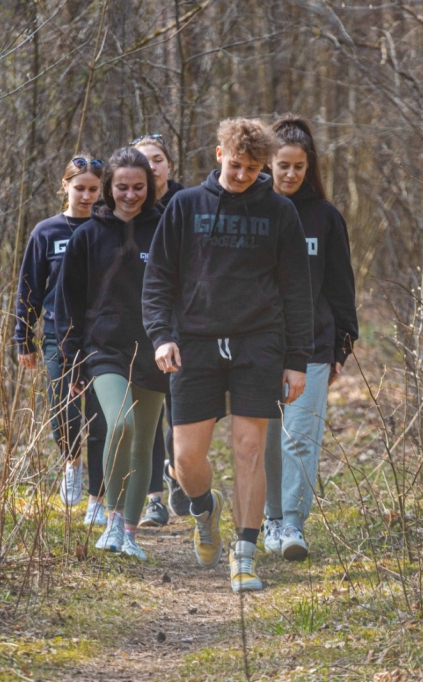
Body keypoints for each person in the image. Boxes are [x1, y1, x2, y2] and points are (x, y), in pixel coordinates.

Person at [143, 118, 313, 592]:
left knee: (249, 449)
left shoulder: (279, 212)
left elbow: (297, 291)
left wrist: (297, 359)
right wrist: (162, 336)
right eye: (236, 165)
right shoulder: (184, 206)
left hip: (258, 341)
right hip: (194, 341)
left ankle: (244, 553)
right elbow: (157, 279)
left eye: (253, 168)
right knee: (186, 458)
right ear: (219, 155)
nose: (242, 175)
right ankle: (206, 507)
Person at [56, 147, 167, 560]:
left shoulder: (163, 230)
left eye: (139, 187)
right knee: (120, 424)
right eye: (122, 187)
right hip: (104, 348)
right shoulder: (88, 235)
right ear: (108, 188)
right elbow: (71, 300)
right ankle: (111, 520)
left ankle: (128, 532)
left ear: (150, 187)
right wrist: (71, 359)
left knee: (143, 441)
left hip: (155, 349)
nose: (131, 195)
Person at [262, 116, 358, 561]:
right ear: (269, 163)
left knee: (299, 437)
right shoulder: (253, 211)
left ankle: (292, 525)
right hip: (257, 345)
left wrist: (342, 345)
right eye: (283, 165)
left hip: (314, 345)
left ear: (309, 167)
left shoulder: (325, 217)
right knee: (265, 436)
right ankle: (268, 520)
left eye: (299, 166)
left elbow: (341, 285)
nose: (291, 174)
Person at [13, 155, 108, 527]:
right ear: (65, 187)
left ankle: (97, 500)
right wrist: (24, 338)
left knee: (100, 418)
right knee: (62, 410)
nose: (86, 196)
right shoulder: (47, 232)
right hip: (56, 333)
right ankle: (72, 462)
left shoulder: (107, 228)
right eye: (79, 188)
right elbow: (29, 288)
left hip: (101, 337)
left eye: (93, 189)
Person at [131, 134, 185, 527]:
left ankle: (175, 466)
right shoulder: (126, 208)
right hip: (141, 323)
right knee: (146, 414)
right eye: (143, 160)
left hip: (184, 321)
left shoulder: (188, 204)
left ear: (169, 165)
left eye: (158, 159)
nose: (151, 166)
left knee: (179, 411)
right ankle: (153, 499)